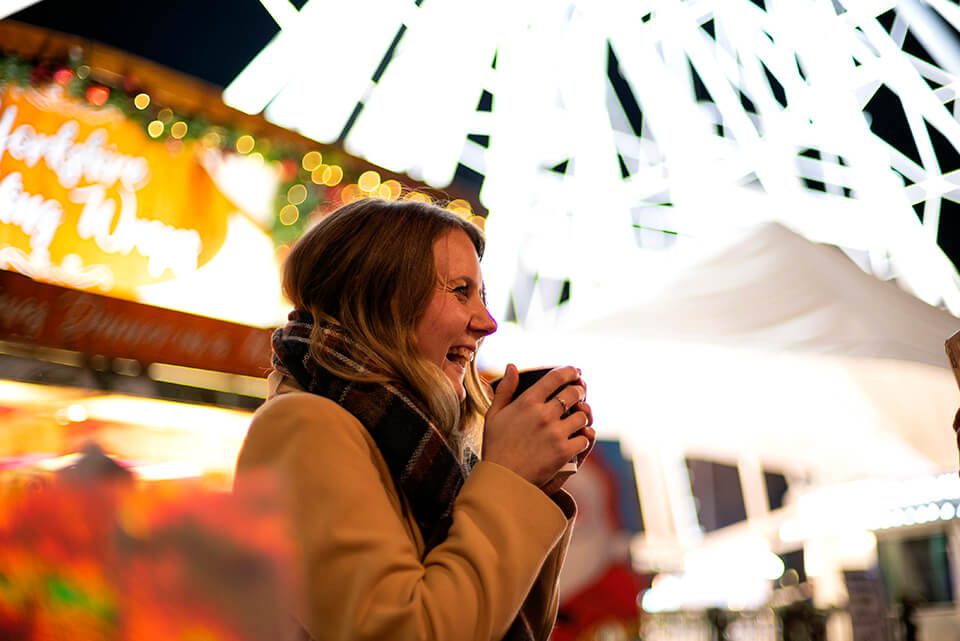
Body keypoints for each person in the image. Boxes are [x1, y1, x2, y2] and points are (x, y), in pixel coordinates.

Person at [233, 197, 596, 641]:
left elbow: (504, 624)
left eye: (481, 296)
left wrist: (533, 484)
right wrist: (510, 479)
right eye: (461, 291)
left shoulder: (420, 446)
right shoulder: (303, 425)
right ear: (383, 296)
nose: (487, 323)